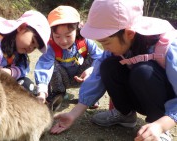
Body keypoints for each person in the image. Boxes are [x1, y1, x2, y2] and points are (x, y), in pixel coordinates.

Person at [50, 0, 177, 140]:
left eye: (106, 42)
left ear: (129, 33)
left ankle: (157, 127)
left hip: (164, 104)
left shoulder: (168, 46)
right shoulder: (117, 45)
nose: (104, 48)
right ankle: (125, 115)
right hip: (139, 95)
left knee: (143, 71)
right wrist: (73, 114)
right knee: (107, 65)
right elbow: (96, 77)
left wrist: (161, 125)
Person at [34, 6, 103, 110]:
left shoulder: (86, 42)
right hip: (62, 79)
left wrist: (92, 69)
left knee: (95, 60)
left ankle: (89, 95)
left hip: (83, 77)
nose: (63, 41)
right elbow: (44, 66)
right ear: (51, 33)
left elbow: (100, 57)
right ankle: (58, 93)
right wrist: (42, 91)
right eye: (57, 36)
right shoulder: (51, 47)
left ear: (77, 30)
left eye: (68, 36)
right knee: (51, 64)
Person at [0, 10, 51, 94]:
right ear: (21, 27)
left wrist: (11, 72)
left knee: (27, 84)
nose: (31, 48)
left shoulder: (19, 54)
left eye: (34, 48)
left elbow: (24, 69)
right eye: (32, 41)